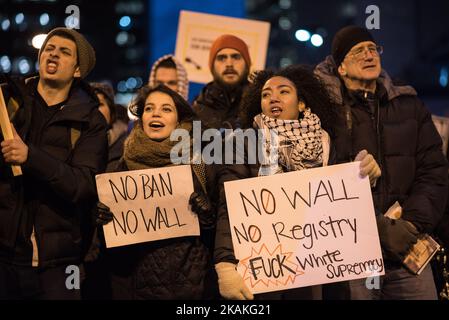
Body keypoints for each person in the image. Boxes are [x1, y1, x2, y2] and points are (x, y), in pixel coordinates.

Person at [214, 65, 381, 300]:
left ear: (301, 103)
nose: (273, 97)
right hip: (269, 269)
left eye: (283, 91)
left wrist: (365, 175)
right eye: (265, 94)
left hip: (319, 269)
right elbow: (229, 207)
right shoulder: (244, 143)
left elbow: (342, 203)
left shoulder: (326, 142)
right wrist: (225, 263)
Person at [314, 25, 448, 300]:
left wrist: (410, 226)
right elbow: (317, 180)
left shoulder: (410, 105)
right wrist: (375, 229)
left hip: (406, 247)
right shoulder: (324, 113)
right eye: (358, 51)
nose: (369, 55)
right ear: (340, 68)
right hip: (352, 252)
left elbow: (434, 171)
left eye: (372, 49)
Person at [0, 27, 108, 299]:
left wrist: (30, 157)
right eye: (49, 48)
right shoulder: (7, 100)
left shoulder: (90, 122)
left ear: (77, 70)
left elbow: (83, 185)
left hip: (58, 265)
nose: (53, 54)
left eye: (64, 52)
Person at [94, 85, 218, 299]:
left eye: (166, 109)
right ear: (141, 118)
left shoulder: (200, 165)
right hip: (134, 285)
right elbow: (109, 245)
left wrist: (208, 214)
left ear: (179, 121)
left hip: (190, 287)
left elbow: (219, 229)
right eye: (149, 108)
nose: (156, 113)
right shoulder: (119, 169)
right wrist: (100, 220)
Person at [193, 34, 251, 131]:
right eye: (222, 58)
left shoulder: (261, 105)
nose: (229, 64)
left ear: (247, 64)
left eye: (236, 57)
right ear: (212, 66)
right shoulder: (196, 110)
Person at [91, 82, 128, 172]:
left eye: (100, 104)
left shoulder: (129, 146)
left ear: (111, 111)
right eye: (90, 104)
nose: (95, 110)